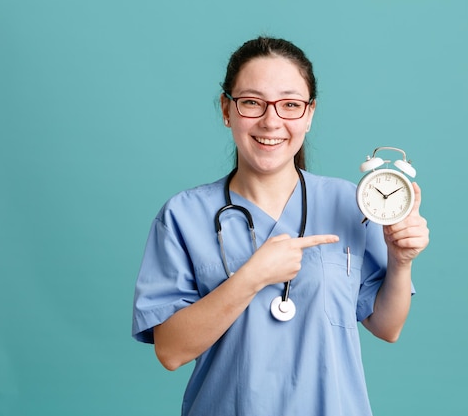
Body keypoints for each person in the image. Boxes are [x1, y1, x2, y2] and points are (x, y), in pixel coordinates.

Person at [132, 36, 429, 416]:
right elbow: (170, 352)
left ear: (309, 113)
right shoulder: (183, 216)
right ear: (227, 110)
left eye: (290, 105)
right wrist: (251, 277)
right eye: (252, 102)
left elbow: (387, 327)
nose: (271, 121)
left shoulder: (352, 203)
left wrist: (401, 261)